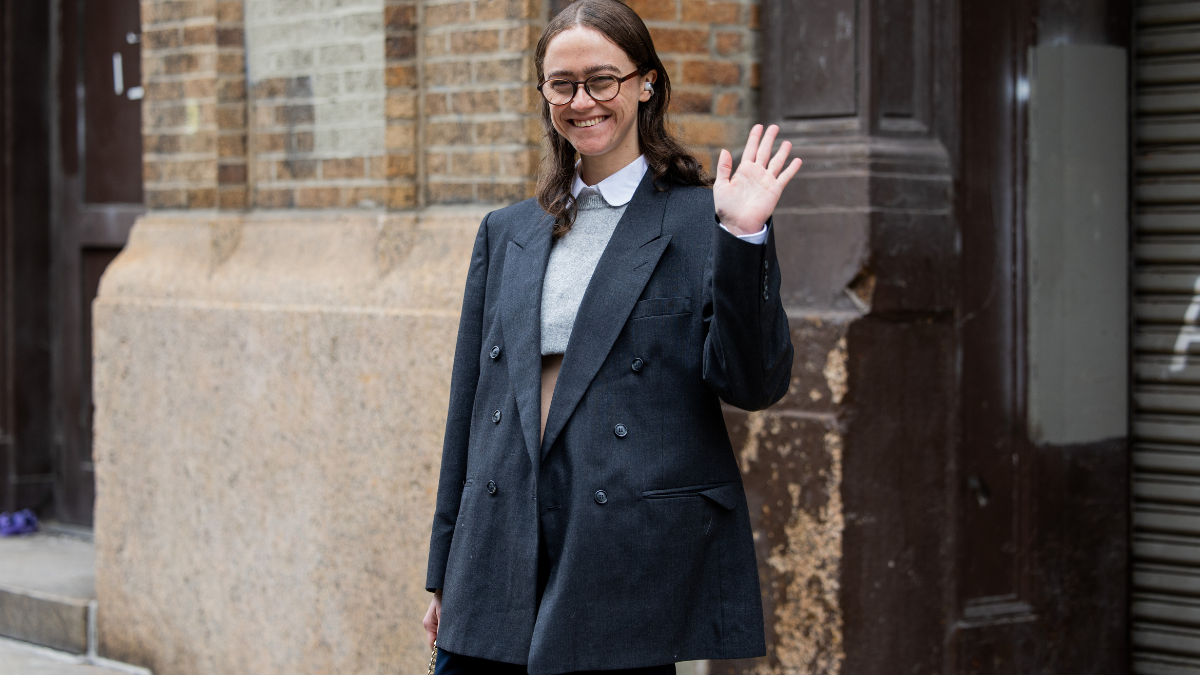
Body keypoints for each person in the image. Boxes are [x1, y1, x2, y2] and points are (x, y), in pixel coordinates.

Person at [422, 1, 800, 673]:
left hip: (624, 558)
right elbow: (470, 413)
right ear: (543, 93)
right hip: (499, 553)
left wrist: (743, 237)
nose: (582, 101)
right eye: (562, 83)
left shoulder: (697, 218)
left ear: (644, 83)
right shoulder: (507, 230)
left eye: (603, 80)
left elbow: (753, 382)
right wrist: (446, 566)